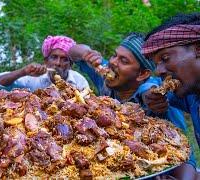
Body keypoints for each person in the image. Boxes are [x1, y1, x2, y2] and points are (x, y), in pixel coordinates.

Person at [71, 33, 197, 177]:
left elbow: (184, 153)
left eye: (124, 61)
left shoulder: (159, 100)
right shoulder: (107, 79)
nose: (113, 62)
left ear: (142, 74)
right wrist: (88, 53)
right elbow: (73, 51)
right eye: (114, 55)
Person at [141, 13, 200, 179]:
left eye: (165, 58)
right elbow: (151, 87)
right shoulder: (192, 96)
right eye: (156, 63)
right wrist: (149, 94)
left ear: (198, 49)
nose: (159, 70)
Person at [0, 35, 89, 92]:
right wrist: (23, 71)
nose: (58, 63)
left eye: (64, 59)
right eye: (54, 57)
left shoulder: (79, 81)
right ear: (46, 61)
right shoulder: (33, 78)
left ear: (70, 65)